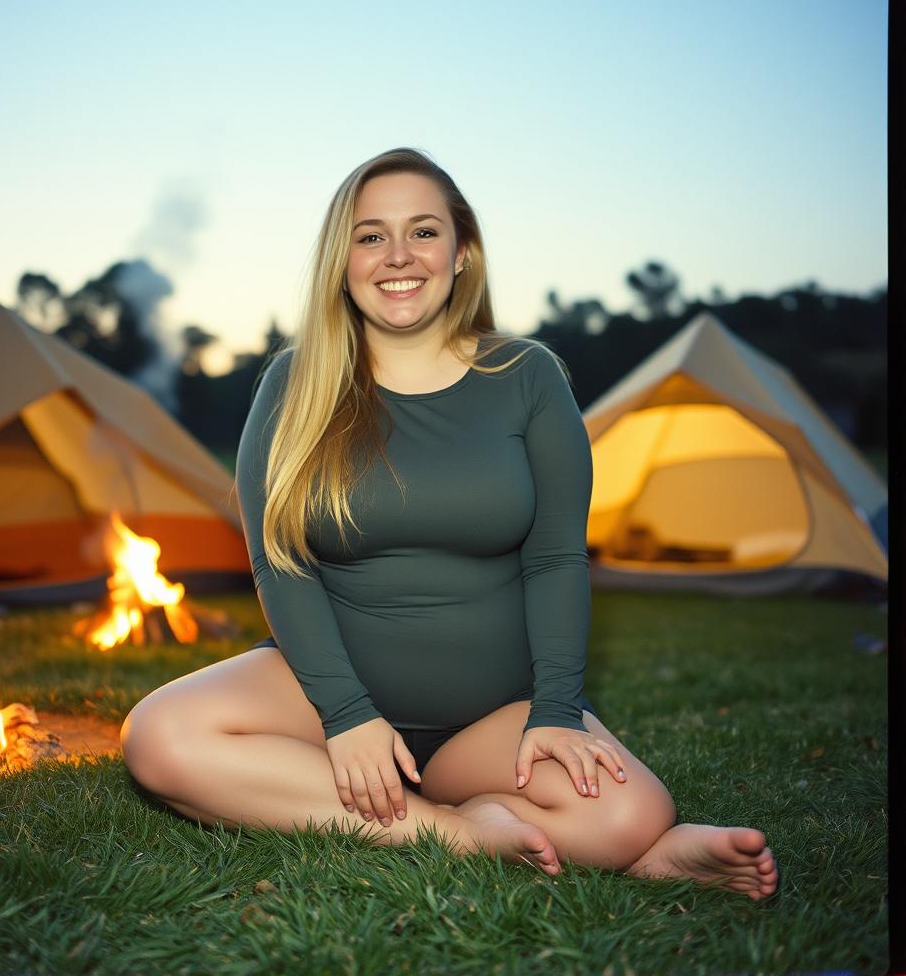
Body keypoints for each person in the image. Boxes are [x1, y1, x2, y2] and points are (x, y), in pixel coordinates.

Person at [121, 147, 778, 899]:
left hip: (490, 712)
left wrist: (557, 708)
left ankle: (594, 836)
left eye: (423, 232)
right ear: (342, 259)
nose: (398, 256)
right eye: (370, 236)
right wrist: (347, 715)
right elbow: (280, 563)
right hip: (317, 695)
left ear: (461, 252)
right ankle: (456, 830)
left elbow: (558, 558)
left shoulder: (528, 377)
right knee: (160, 738)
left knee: (631, 815)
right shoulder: (292, 385)